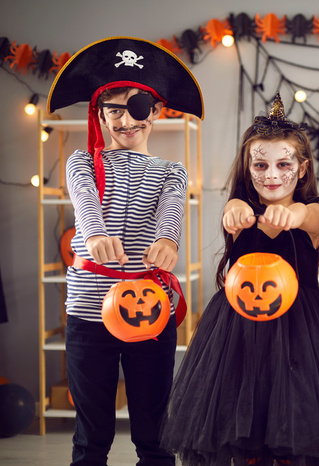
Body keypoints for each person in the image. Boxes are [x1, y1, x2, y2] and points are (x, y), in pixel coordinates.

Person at [160, 93, 319, 466]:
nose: (271, 175)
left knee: (299, 424)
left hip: (304, 333)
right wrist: (235, 208)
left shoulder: (314, 210)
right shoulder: (240, 210)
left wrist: (295, 214)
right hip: (239, 329)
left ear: (302, 169)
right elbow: (232, 210)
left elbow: (311, 216)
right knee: (243, 422)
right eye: (261, 165)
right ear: (248, 167)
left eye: (283, 164)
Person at [47, 37, 204, 465]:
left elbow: (172, 211)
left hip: (149, 308)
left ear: (154, 112)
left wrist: (167, 241)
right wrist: (95, 233)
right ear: (99, 114)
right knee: (91, 436)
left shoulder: (173, 171)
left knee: (155, 436)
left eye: (136, 107)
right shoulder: (81, 160)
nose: (125, 119)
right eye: (113, 108)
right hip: (88, 310)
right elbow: (84, 201)